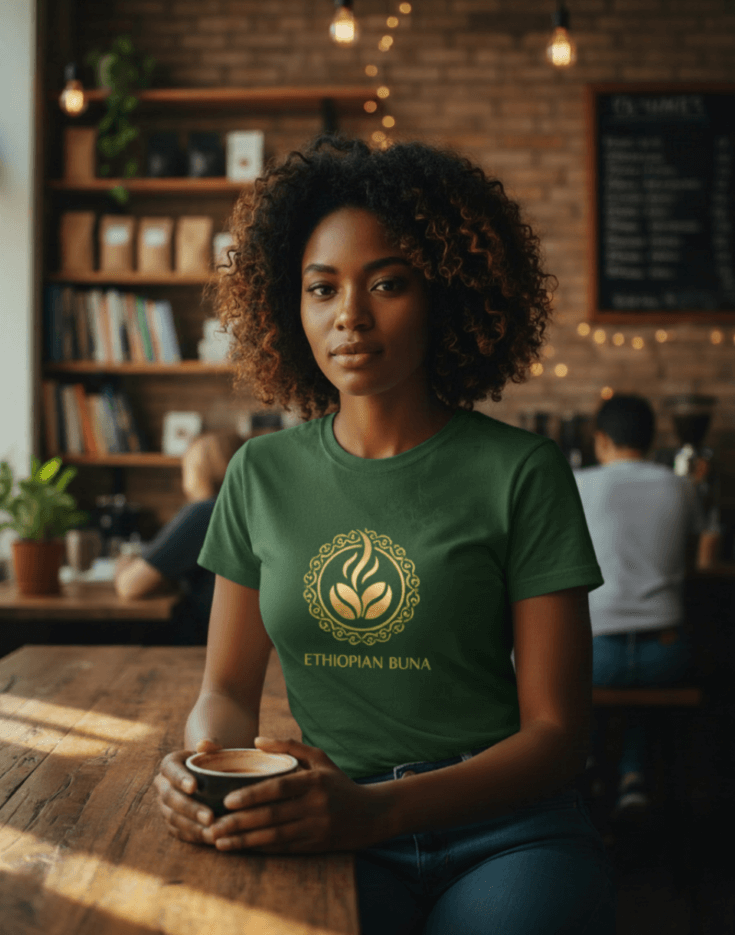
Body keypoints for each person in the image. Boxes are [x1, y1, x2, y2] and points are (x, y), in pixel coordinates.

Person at [153, 135, 616, 934]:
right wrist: (207, 768)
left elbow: (556, 736)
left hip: (503, 827)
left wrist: (376, 809)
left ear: (447, 294)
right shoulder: (259, 474)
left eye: (388, 284)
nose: (350, 317)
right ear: (287, 307)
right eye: (322, 288)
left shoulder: (521, 471)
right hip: (325, 822)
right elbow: (225, 692)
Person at [574, 394, 704, 818]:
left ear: (602, 440)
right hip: (668, 655)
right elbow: (696, 560)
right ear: (651, 440)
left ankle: (585, 768)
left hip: (597, 657)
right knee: (640, 692)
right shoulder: (682, 487)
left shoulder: (576, 484)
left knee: (567, 672)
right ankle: (634, 779)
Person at [115, 430, 243, 643]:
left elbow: (131, 586)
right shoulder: (242, 511)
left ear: (199, 471)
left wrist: (122, 564)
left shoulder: (205, 512)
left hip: (205, 644)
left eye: (186, 468)